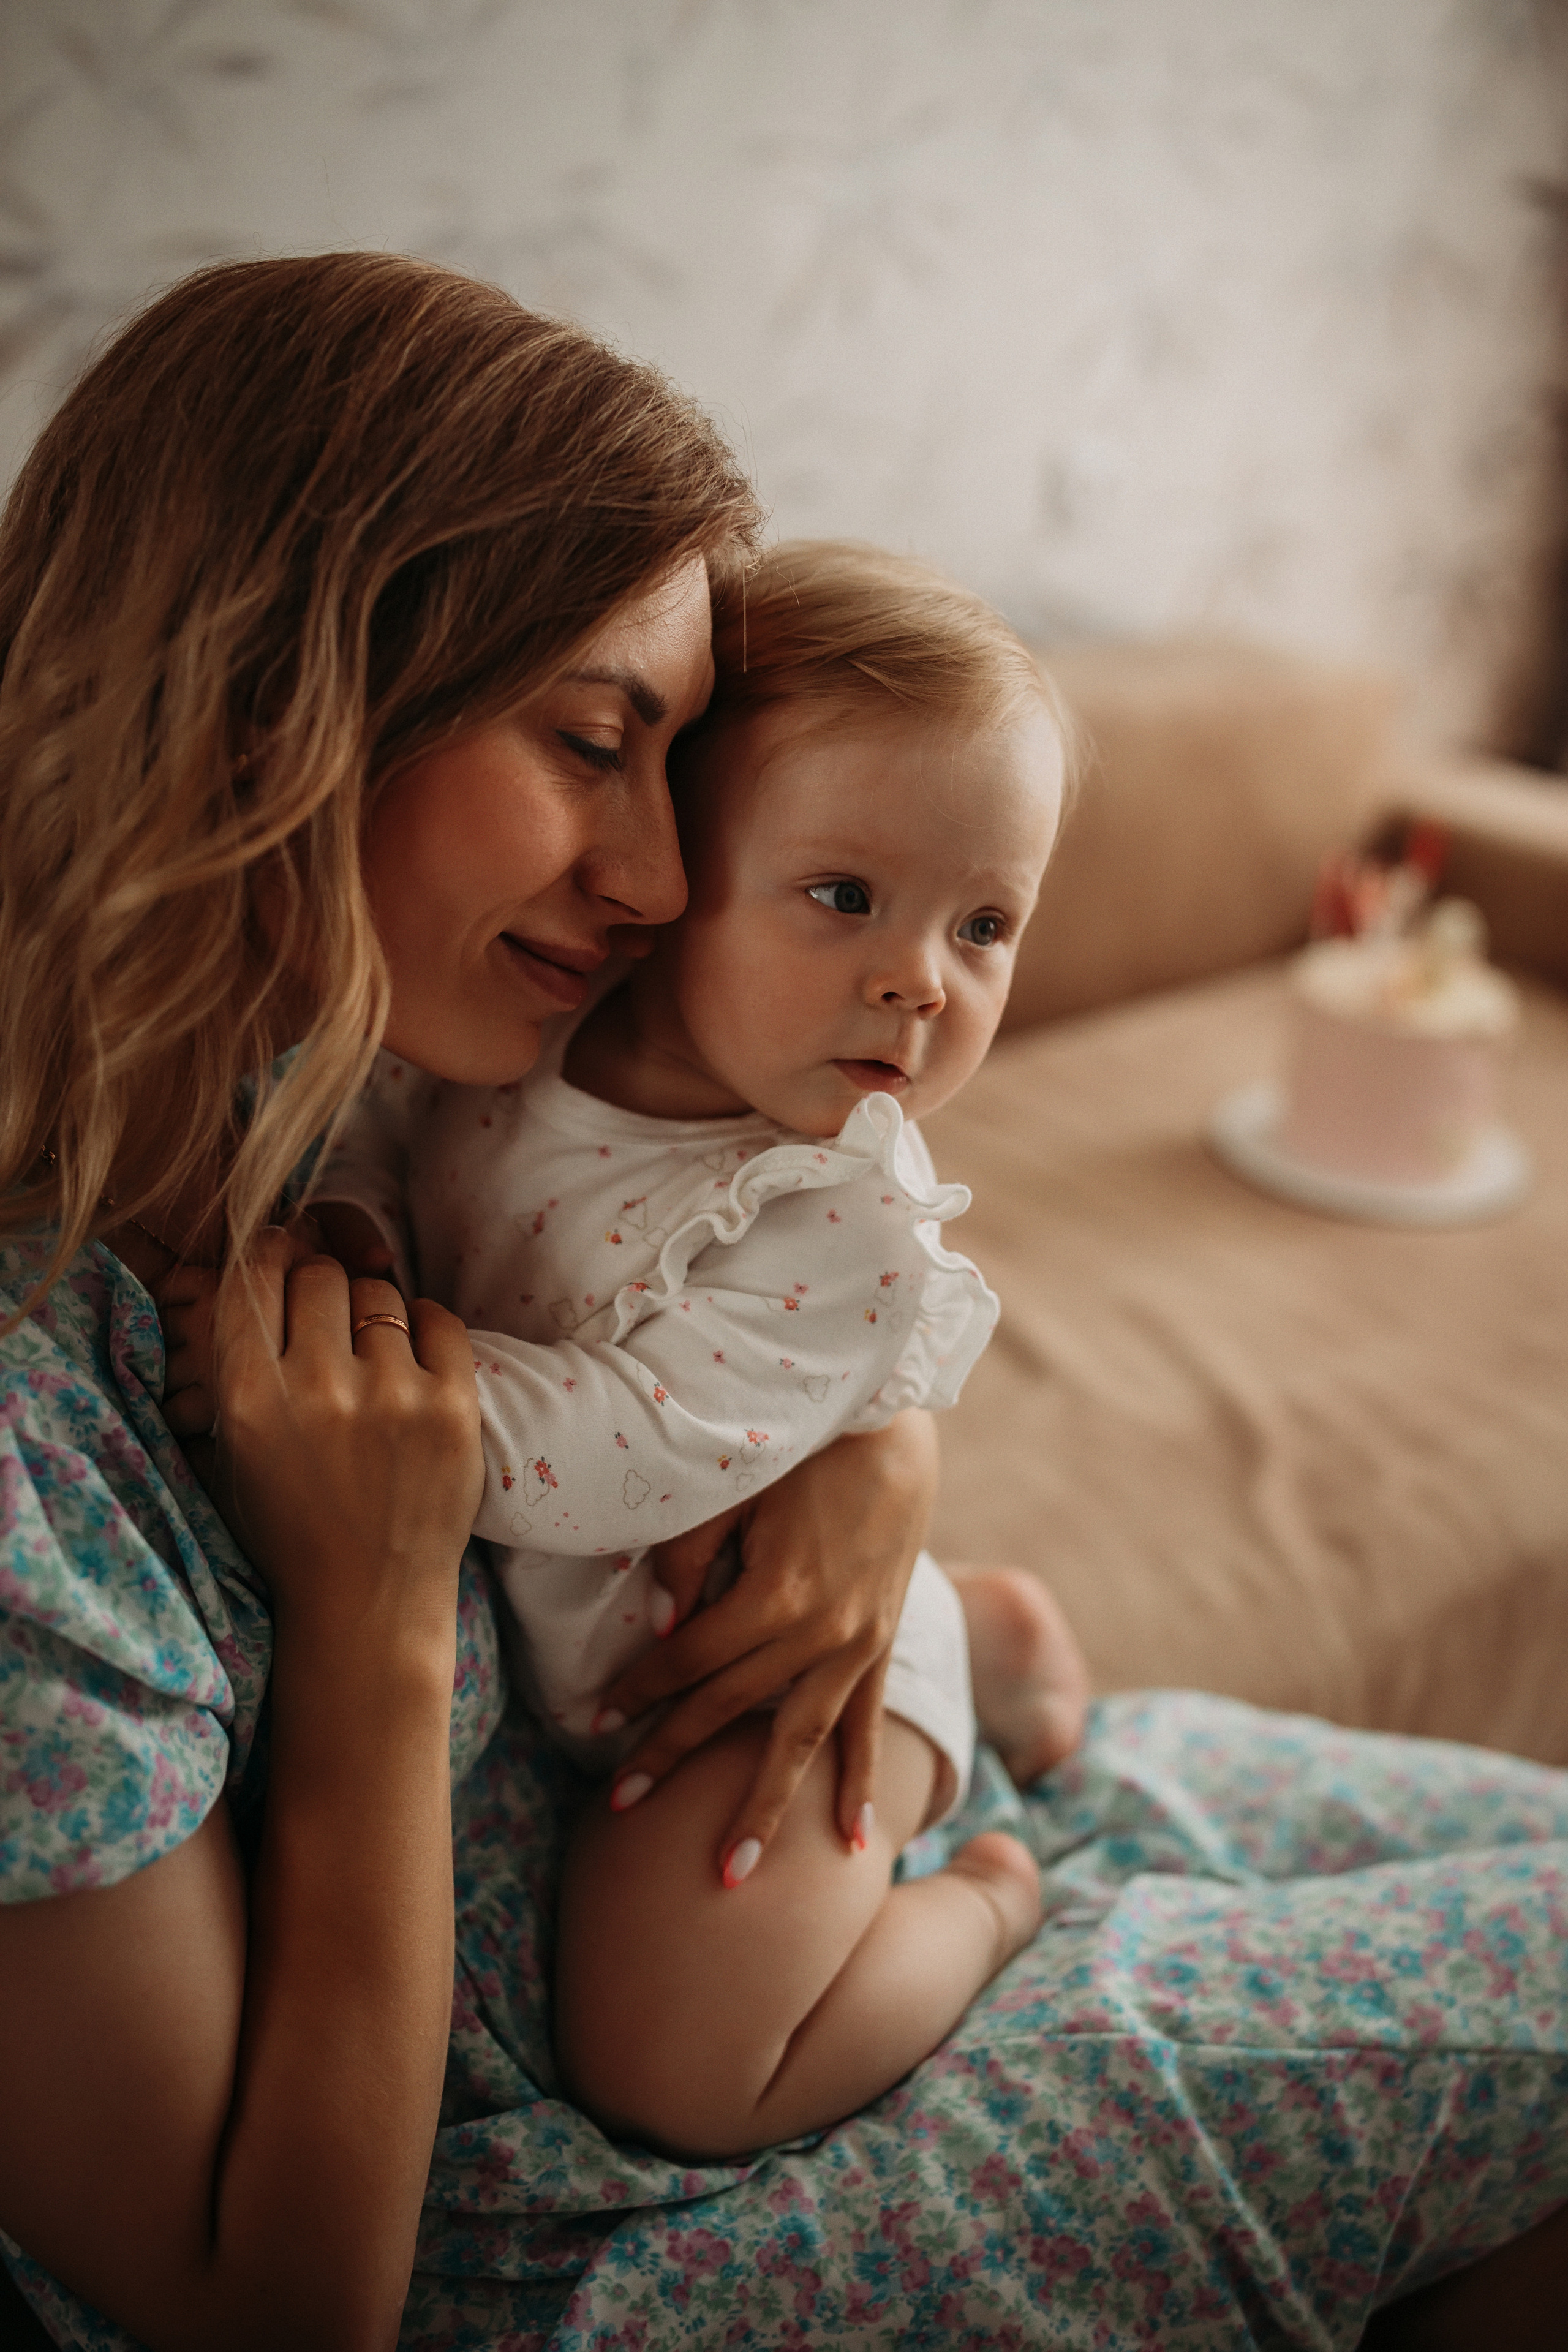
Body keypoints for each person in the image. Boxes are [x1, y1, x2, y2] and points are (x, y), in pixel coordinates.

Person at [0, 254, 1564, 2352]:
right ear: (280, 697)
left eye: (679, 773)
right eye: (594, 743)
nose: (661, 882)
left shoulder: (296, 1060)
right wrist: (376, 1619)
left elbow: (737, 1259)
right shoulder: (36, 1457)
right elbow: (279, 2313)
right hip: (597, 2196)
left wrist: (872, 1454)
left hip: (806, 1770)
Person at [298, 539, 1087, 2158]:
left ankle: (991, 1896)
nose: (919, 982)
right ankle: (992, 1628)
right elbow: (376, 1117)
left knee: (677, 2072)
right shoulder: (524, 1015)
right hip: (636, 1638)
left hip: (746, 1682)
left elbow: (614, 1449)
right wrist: (353, 1237)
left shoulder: (834, 1218)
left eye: (985, 925)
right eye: (846, 897)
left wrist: (358, 1383)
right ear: (674, 866)